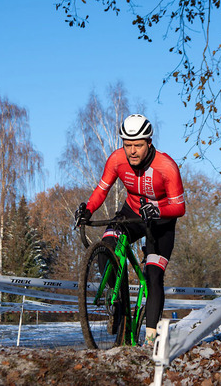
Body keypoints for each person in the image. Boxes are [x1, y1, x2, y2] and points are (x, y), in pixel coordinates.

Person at [75, 114, 185, 346]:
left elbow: (179, 206)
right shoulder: (116, 159)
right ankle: (119, 305)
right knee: (107, 246)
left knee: (153, 276)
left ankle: (151, 338)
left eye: (137, 145)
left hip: (161, 219)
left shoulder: (167, 166)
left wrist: (157, 211)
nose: (132, 151)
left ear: (149, 142)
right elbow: (102, 189)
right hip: (132, 212)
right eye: (127, 145)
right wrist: (88, 210)